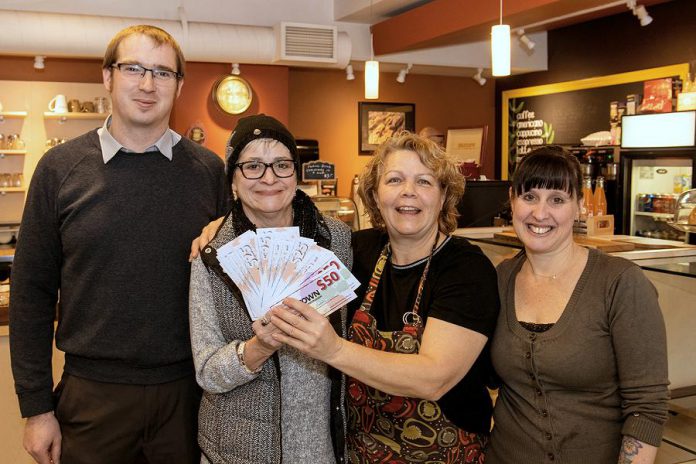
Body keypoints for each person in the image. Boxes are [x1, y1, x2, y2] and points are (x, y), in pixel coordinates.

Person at [10, 25, 229, 464]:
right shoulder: (59, 169)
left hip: (188, 396)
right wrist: (36, 409)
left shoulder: (208, 171)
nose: (148, 85)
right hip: (92, 396)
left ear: (179, 85)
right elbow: (31, 293)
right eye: (133, 68)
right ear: (108, 77)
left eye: (162, 73)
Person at [269, 132, 500, 463]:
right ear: (375, 196)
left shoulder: (466, 268)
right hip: (364, 451)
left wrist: (333, 349)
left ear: (443, 195)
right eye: (395, 180)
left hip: (446, 452)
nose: (409, 191)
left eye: (424, 181)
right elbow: (280, 234)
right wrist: (220, 228)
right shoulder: (356, 250)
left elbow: (433, 379)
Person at [485, 146, 669, 463]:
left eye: (557, 199)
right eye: (529, 197)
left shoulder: (620, 283)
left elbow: (646, 406)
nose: (540, 213)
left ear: (579, 207)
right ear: (512, 200)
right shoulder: (500, 278)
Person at [189, 114, 351, 464]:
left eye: (281, 165)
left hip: (318, 445)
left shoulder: (336, 240)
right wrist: (257, 348)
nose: (269, 178)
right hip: (236, 449)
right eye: (252, 166)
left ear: (296, 173)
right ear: (233, 178)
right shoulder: (212, 255)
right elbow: (206, 371)